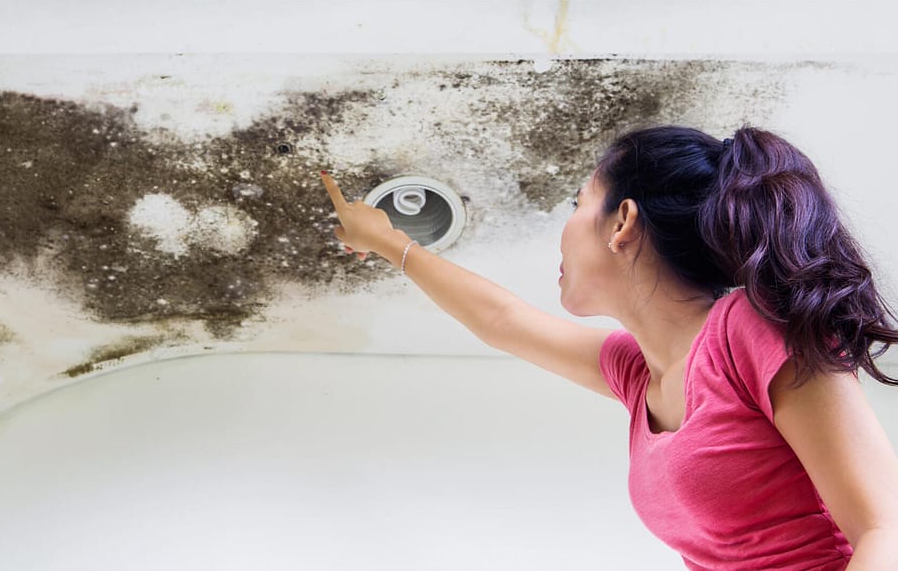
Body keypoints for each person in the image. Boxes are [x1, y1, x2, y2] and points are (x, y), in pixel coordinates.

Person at [319, 125, 898, 570]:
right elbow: (503, 320)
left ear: (622, 222)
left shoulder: (752, 329)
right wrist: (388, 243)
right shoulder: (639, 375)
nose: (565, 227)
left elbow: (885, 528)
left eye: (577, 203)